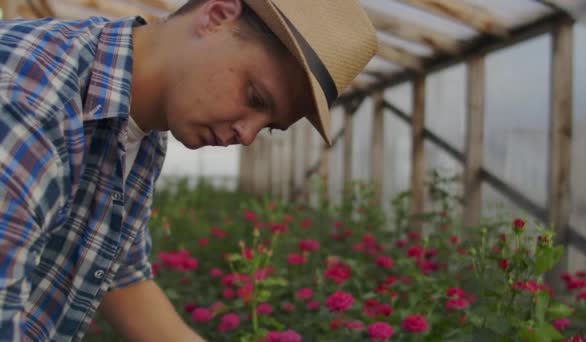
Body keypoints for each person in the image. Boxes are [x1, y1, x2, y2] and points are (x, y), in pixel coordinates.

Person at [0, 0, 377, 340]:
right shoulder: (30, 99)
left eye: (267, 126)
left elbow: (122, 278)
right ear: (216, 16)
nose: (246, 135)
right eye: (255, 97)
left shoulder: (143, 127)